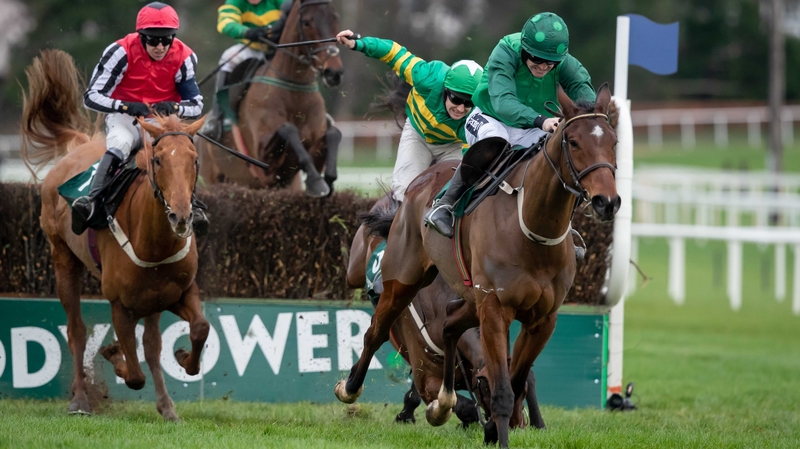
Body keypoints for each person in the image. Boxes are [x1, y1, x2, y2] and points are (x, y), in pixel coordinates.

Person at [424, 12, 596, 238]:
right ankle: (445, 204)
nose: (544, 67)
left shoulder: (565, 63)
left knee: (558, 155)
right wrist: (541, 120)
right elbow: (503, 102)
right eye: (537, 59)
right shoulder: (505, 51)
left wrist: (591, 119)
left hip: (531, 127)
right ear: (525, 49)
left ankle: (565, 227)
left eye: (551, 63)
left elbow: (588, 98)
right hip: (489, 117)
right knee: (496, 142)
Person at [74, 2, 207, 236]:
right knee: (121, 143)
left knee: (177, 153)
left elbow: (196, 105)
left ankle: (192, 205)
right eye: (152, 39)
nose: (160, 46)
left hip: (160, 122)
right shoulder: (120, 52)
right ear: (140, 35)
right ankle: (92, 201)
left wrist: (175, 107)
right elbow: (90, 97)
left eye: (166, 40)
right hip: (124, 117)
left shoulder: (185, 56)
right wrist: (124, 105)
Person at [336, 30, 483, 202]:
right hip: (417, 135)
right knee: (405, 192)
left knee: (455, 195)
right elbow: (393, 52)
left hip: (452, 146)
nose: (460, 108)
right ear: (445, 89)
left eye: (468, 103)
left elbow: (471, 156)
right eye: (456, 99)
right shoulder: (427, 76)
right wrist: (359, 44)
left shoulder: (476, 116)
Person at [203, 0, 289, 139]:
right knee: (227, 58)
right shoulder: (235, 2)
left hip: (279, 49)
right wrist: (247, 32)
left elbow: (293, 12)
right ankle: (217, 119)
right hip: (251, 48)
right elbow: (225, 23)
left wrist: (278, 28)